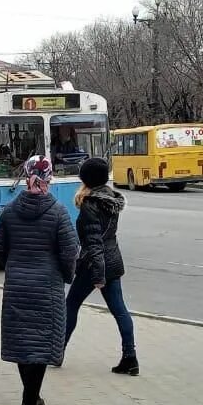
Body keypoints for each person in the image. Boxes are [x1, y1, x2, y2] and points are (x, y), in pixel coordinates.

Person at [0, 156, 79, 405]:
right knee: (40, 346)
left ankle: (32, 396)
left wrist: (14, 266)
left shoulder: (9, 210)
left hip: (17, 285)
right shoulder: (58, 212)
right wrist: (65, 276)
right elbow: (69, 252)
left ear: (26, 175)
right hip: (46, 287)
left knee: (23, 343)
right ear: (50, 178)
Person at [61, 158, 138, 375]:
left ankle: (57, 351)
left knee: (71, 304)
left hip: (94, 265)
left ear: (86, 179)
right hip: (113, 261)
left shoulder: (90, 205)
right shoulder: (111, 200)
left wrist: (97, 275)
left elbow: (94, 243)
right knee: (120, 310)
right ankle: (130, 358)